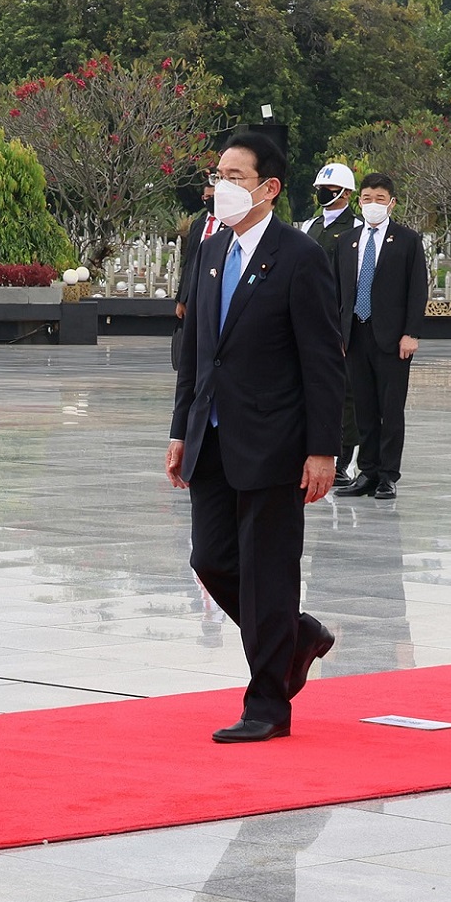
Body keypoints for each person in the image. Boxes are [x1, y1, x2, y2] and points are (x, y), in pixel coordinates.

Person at [166, 129, 345, 743]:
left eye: (236, 177)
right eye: (218, 175)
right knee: (210, 559)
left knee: (268, 570)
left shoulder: (300, 256)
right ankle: (295, 638)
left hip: (276, 441)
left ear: (269, 189)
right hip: (211, 436)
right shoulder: (211, 250)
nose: (222, 187)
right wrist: (180, 428)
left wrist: (323, 449)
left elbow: (324, 360)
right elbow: (194, 350)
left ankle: (268, 703)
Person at [335, 173, 427, 500]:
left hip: (392, 338)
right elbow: (338, 291)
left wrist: (411, 333)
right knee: (363, 409)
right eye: (366, 198)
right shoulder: (347, 242)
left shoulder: (407, 240)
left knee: (390, 409)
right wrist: (338, 333)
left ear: (392, 202)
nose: (372, 204)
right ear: (358, 201)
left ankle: (388, 475)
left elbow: (418, 290)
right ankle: (367, 471)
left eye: (379, 198)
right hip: (355, 335)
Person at [306, 162, 362, 486]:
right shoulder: (310, 225)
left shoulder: (355, 226)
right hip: (311, 315)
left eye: (329, 190)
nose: (323, 194)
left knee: (346, 393)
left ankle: (343, 458)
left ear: (347, 193)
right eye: (320, 189)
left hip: (341, 319)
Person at [172, 176, 218, 370]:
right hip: (193, 292)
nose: (209, 201)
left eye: (213, 197)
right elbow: (188, 261)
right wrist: (181, 299)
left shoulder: (232, 225)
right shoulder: (198, 224)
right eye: (206, 197)